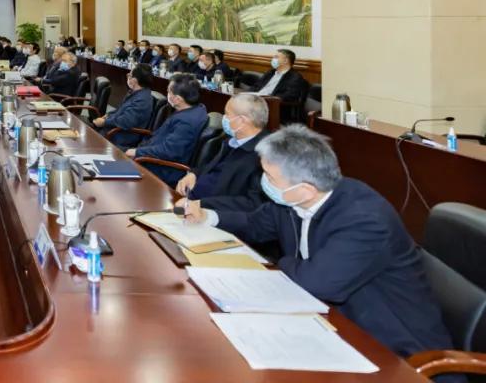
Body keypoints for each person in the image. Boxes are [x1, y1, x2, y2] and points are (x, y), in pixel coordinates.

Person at [182, 125, 455, 361]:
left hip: (394, 349)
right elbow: (254, 224)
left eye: (270, 177)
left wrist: (283, 262)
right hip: (329, 322)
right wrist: (208, 216)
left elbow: (317, 284)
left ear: (305, 189)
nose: (264, 182)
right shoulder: (290, 200)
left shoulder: (364, 219)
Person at [174, 92, 268, 211]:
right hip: (190, 199)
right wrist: (193, 174)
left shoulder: (265, 156)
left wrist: (201, 204)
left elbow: (251, 204)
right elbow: (210, 167)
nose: (224, 118)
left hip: (210, 212)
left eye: (227, 114)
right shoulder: (233, 140)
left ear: (241, 121)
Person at [126, 73, 207, 187]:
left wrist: (137, 152)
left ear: (178, 99)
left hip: (161, 168)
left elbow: (168, 151)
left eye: (169, 91)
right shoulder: (195, 109)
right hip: (151, 156)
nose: (167, 93)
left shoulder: (187, 122)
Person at [93, 64, 155, 150]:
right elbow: (120, 109)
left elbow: (125, 121)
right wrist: (108, 115)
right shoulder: (134, 92)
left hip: (121, 136)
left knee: (90, 141)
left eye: (129, 75)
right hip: (114, 130)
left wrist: (105, 122)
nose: (128, 76)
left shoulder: (142, 100)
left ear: (134, 80)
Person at [252, 48, 309, 113]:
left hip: (273, 106)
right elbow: (256, 86)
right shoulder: (270, 72)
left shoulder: (295, 77)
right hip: (256, 101)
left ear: (285, 61)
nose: (273, 59)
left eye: (276, 57)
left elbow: (288, 96)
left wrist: (266, 98)